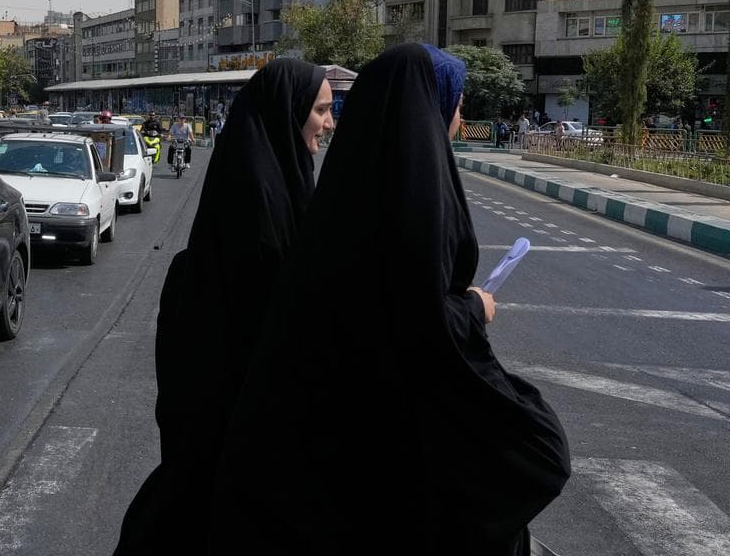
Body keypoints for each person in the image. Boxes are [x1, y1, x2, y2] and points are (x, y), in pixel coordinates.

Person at [208, 44, 570, 554]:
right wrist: (470, 309)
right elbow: (411, 317)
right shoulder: (407, 208)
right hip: (373, 449)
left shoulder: (340, 203)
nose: (461, 120)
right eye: (457, 104)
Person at [115, 59, 334, 555]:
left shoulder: (279, 180)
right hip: (243, 443)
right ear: (290, 112)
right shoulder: (260, 208)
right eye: (320, 110)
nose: (329, 121)